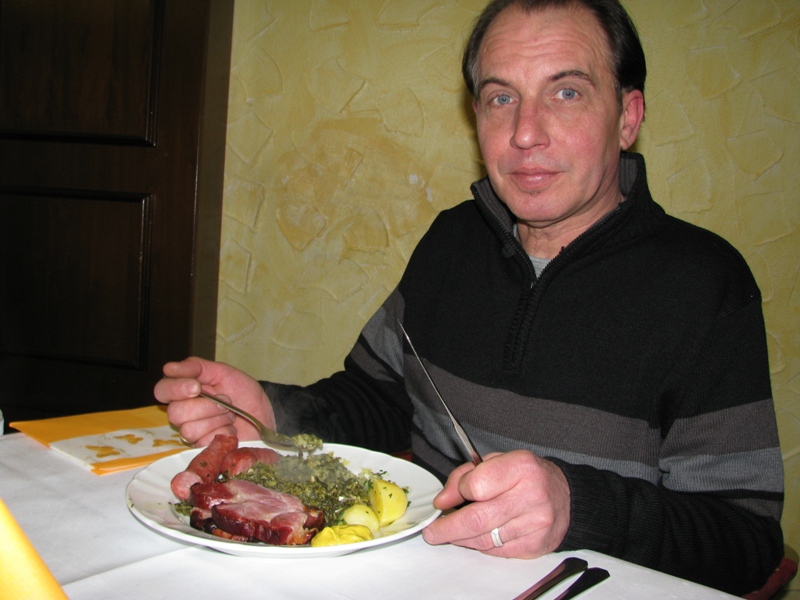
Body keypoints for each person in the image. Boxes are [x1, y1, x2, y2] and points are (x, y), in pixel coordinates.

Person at [155, 0, 784, 595]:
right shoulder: (451, 241)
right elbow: (379, 398)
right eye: (501, 98)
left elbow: (746, 540)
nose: (526, 133)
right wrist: (274, 411)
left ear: (627, 117)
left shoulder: (708, 284)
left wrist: (576, 506)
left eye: (566, 92)